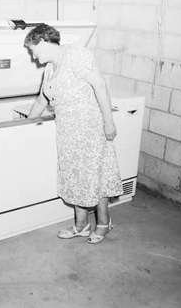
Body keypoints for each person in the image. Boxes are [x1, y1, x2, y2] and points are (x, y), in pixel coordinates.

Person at [24, 24, 123, 244]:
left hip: (89, 128)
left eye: (33, 49)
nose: (32, 55)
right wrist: (24, 124)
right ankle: (81, 224)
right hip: (68, 133)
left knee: (95, 176)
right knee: (76, 177)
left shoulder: (76, 54)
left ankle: (104, 223)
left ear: (42, 41)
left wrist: (109, 122)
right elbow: (42, 100)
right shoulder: (49, 70)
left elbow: (99, 85)